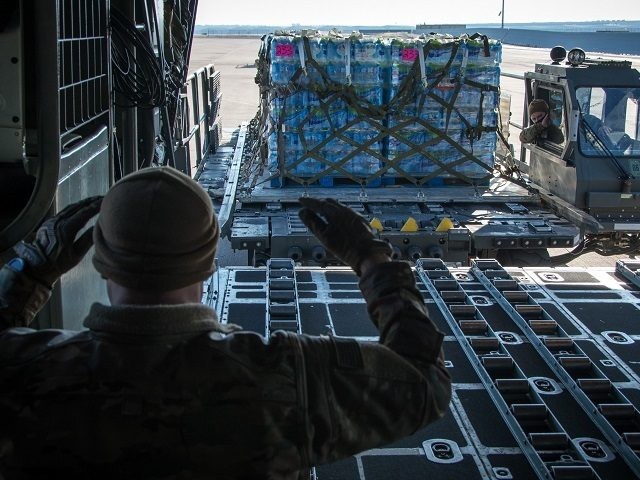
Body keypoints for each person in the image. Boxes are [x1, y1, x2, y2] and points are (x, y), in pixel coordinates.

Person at [0, 167, 451, 479]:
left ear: (100, 262)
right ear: (207, 264)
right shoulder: (286, 379)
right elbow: (424, 382)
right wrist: (371, 259)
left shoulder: (25, 373)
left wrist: (30, 271)